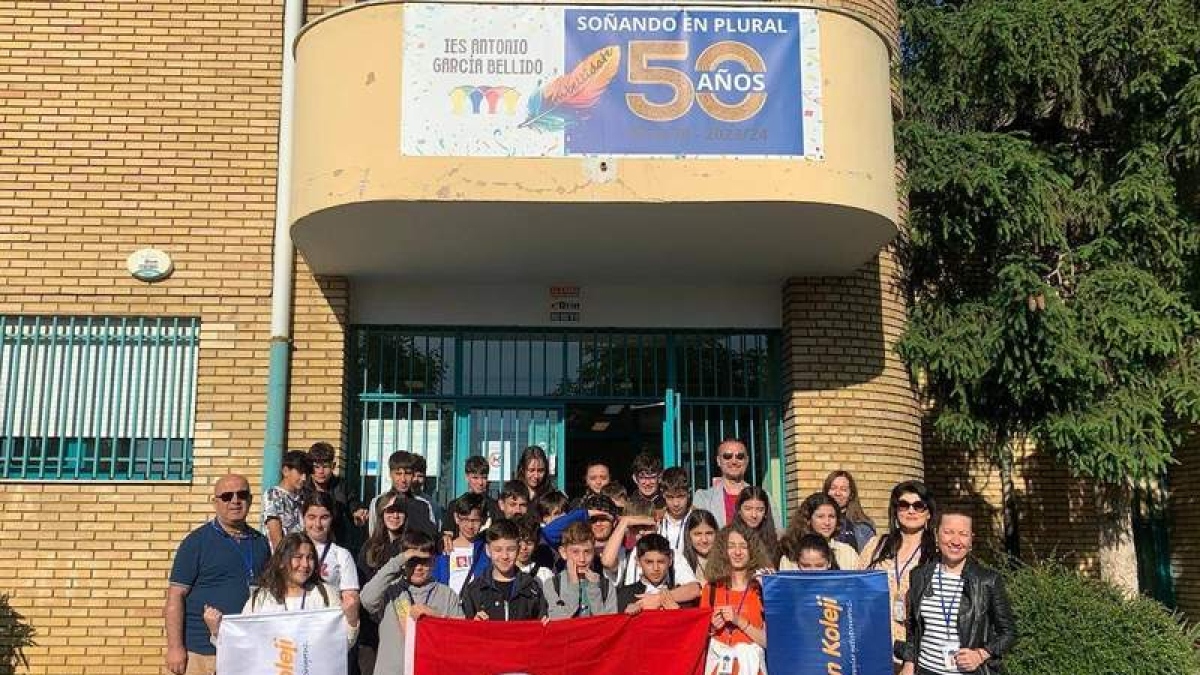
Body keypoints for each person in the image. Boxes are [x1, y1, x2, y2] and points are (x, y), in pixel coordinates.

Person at [165, 475, 271, 675]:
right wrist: (175, 648)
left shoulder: (260, 542)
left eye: (242, 494)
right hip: (202, 653)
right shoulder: (196, 542)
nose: (235, 500)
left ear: (250, 499)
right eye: (226, 496)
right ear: (215, 502)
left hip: (245, 651)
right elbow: (175, 596)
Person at [899, 512, 1016, 675]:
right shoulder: (919, 576)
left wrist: (981, 654)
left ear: (971, 541)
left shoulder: (988, 581)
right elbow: (913, 627)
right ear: (936, 535)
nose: (955, 541)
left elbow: (1009, 633)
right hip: (925, 670)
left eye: (963, 534)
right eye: (948, 532)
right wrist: (909, 662)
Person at [202, 533, 359, 646]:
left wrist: (351, 620)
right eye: (298, 557)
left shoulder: (325, 594)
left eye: (310, 558)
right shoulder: (262, 598)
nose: (305, 564)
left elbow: (341, 646)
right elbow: (243, 646)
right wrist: (217, 632)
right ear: (282, 561)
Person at [360, 530, 463, 675]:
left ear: (433, 560)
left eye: (424, 562)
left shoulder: (447, 595)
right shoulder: (389, 590)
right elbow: (366, 599)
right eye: (412, 562)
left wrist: (436, 617)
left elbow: (459, 638)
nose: (418, 567)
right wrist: (399, 560)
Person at [859, 480, 939, 655]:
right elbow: (858, 588)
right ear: (895, 511)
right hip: (874, 638)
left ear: (929, 514)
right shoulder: (876, 545)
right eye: (904, 505)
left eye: (918, 506)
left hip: (919, 644)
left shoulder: (938, 552)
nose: (911, 510)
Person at [601, 499, 701, 604]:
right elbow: (607, 562)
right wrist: (624, 522)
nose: (641, 532)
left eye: (646, 527)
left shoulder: (671, 552)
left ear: (656, 524)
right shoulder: (625, 554)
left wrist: (657, 598)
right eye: (635, 528)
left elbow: (694, 589)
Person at [701, 526, 769, 675]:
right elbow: (698, 639)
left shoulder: (763, 589)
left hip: (752, 667)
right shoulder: (710, 589)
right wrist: (711, 629)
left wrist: (739, 621)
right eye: (731, 546)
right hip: (717, 667)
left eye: (743, 547)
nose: (737, 552)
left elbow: (770, 643)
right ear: (722, 551)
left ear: (753, 551)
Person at [355, 494, 407, 675]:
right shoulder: (369, 548)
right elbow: (362, 587)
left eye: (399, 511)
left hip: (400, 625)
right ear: (381, 514)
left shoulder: (410, 546)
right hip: (371, 627)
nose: (394, 516)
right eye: (389, 511)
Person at [460, 519, 548, 620]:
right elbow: (464, 631)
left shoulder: (532, 588)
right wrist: (473, 625)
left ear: (518, 549)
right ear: (488, 550)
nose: (504, 556)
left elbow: (541, 626)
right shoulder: (475, 590)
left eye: (511, 549)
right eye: (498, 550)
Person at [301, 492, 361, 625]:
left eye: (324, 517)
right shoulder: (289, 550)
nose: (317, 524)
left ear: (332, 519)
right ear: (303, 517)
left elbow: (350, 600)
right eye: (311, 517)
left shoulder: (341, 555)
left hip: (327, 626)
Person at [692, 439, 780, 528]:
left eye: (740, 456)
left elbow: (776, 532)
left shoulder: (765, 496)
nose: (734, 461)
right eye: (727, 456)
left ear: (747, 460)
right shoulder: (703, 498)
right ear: (718, 461)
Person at [543, 521, 616, 619]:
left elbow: (609, 623)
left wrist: (594, 588)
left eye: (587, 552)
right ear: (563, 553)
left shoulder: (606, 586)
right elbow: (559, 620)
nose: (582, 559)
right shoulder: (553, 584)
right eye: (575, 552)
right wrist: (573, 585)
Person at [307, 441, 369, 548]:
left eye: (325, 466)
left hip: (337, 543)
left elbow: (353, 503)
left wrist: (357, 513)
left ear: (333, 466)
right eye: (316, 467)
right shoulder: (303, 488)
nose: (321, 471)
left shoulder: (342, 486)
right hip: (308, 543)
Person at [778, 492, 858, 571]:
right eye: (820, 517)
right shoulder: (792, 553)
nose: (827, 522)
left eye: (832, 516)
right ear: (808, 519)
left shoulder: (848, 552)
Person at [368, 451, 438, 537]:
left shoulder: (423, 505)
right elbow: (373, 536)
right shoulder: (378, 502)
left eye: (408, 474)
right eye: (398, 474)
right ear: (390, 474)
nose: (403, 479)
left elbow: (431, 537)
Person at [434, 493, 488, 594]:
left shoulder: (487, 549)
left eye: (475, 520)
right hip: (448, 606)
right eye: (465, 519)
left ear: (483, 520)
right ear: (456, 518)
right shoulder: (443, 549)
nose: (470, 526)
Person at [617, 533, 681, 614]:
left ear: (670, 560)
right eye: (649, 562)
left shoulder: (680, 593)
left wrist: (678, 612)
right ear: (637, 561)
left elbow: (692, 624)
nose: (656, 568)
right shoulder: (625, 594)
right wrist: (626, 616)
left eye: (661, 562)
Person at [262, 450, 313, 549]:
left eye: (306, 474)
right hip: (283, 557)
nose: (304, 478)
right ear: (286, 471)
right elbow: (275, 536)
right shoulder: (273, 495)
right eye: (300, 473)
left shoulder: (304, 496)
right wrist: (283, 561)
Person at [824, 470, 876, 552]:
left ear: (851, 494)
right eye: (833, 488)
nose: (837, 493)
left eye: (843, 489)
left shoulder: (864, 528)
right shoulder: (814, 522)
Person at [731, 486, 779, 564]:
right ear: (739, 510)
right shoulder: (727, 540)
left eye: (760, 509)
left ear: (766, 512)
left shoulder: (775, 543)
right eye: (748, 509)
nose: (754, 515)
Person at [658, 467, 692, 560]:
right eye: (670, 497)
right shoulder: (657, 521)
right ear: (663, 494)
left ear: (688, 493)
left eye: (681, 496)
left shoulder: (695, 519)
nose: (676, 503)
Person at [457, 455, 503, 524]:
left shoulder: (495, 507)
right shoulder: (455, 505)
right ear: (467, 477)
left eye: (484, 478)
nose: (480, 482)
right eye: (475, 478)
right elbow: (448, 533)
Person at [682, 509, 719, 584]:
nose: (704, 540)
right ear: (688, 535)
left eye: (709, 533)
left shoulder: (727, 562)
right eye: (698, 534)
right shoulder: (682, 564)